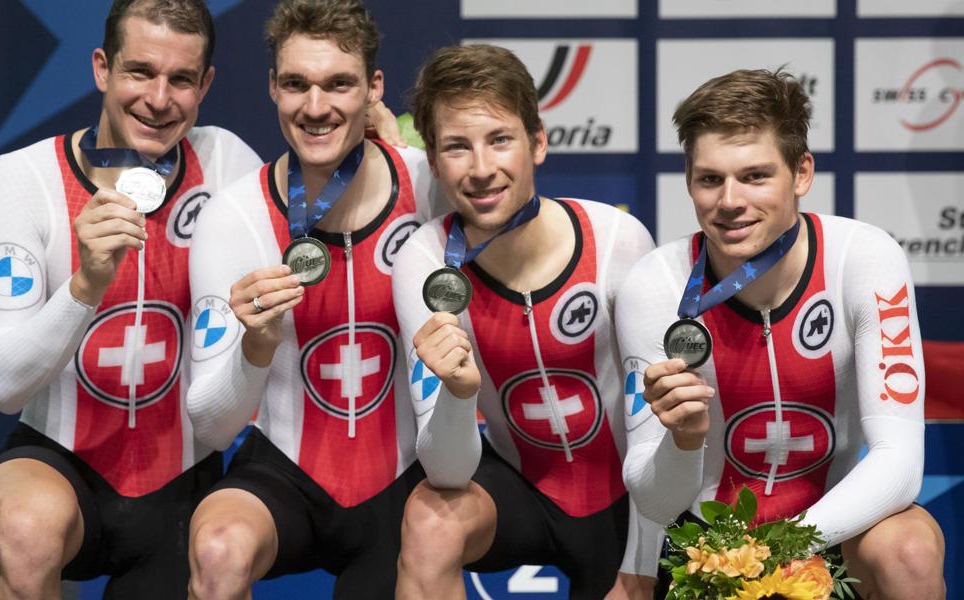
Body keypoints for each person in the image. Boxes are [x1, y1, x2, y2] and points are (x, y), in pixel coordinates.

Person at [0, 1, 264, 598]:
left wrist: (393, 153)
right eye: (139, 72)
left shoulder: (228, 163)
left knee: (221, 555)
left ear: (206, 84)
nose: (158, 99)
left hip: (181, 477)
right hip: (56, 458)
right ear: (102, 68)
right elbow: (3, 386)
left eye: (181, 79)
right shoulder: (22, 179)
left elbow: (317, 235)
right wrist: (84, 287)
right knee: (24, 532)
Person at [616, 68, 946, 599]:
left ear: (801, 173)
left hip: (832, 529)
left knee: (907, 549)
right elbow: (655, 500)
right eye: (709, 179)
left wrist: (782, 552)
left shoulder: (861, 257)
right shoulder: (656, 285)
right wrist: (683, 442)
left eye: (755, 176)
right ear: (688, 181)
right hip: (707, 548)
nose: (729, 201)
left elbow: (900, 463)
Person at [184, 1, 444, 598]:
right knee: (217, 552)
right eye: (296, 84)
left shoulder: (431, 185)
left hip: (405, 477)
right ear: (273, 86)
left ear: (373, 88)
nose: (316, 107)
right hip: (284, 471)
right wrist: (255, 345)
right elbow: (213, 425)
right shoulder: (235, 217)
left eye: (339, 84)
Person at [391, 44, 663, 600]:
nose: (482, 169)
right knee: (428, 522)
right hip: (518, 489)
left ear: (537, 142)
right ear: (436, 164)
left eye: (499, 140)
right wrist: (460, 395)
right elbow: (446, 469)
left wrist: (638, 570)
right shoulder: (424, 260)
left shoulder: (616, 241)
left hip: (631, 505)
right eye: (457, 148)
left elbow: (657, 432)